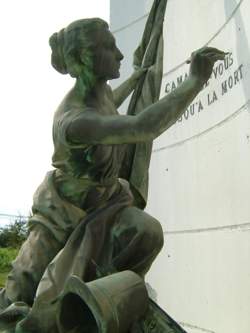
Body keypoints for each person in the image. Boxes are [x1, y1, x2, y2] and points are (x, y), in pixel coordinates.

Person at [0, 17, 226, 313]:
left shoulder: (99, 93)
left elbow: (112, 102)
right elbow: (143, 126)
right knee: (22, 300)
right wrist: (195, 81)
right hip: (62, 220)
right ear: (83, 58)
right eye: (109, 48)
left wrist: (137, 76)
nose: (119, 54)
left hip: (104, 204)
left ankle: (104, 301)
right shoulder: (75, 121)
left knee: (146, 233)